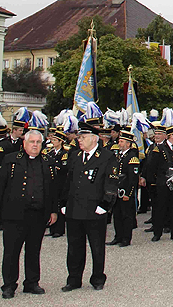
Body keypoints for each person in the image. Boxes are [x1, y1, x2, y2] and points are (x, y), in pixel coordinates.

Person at [0, 130, 58, 299]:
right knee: (12, 251)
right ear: (24, 143)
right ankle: (9, 285)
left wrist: (53, 210)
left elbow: (53, 188)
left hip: (38, 214)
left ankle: (32, 283)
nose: (35, 145)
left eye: (38, 142)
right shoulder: (11, 160)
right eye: (32, 142)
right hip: (15, 214)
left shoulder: (48, 161)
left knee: (34, 250)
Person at [60, 122, 118, 292]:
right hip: (74, 209)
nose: (79, 140)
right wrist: (63, 202)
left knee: (97, 247)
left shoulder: (107, 157)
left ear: (94, 139)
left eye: (83, 137)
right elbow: (67, 180)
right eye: (79, 137)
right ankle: (74, 279)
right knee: (74, 247)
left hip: (95, 209)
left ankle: (98, 278)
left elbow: (111, 182)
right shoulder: (75, 156)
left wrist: (105, 204)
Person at [143, 125, 173, 242]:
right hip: (163, 183)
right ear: (170, 136)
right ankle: (157, 233)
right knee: (160, 208)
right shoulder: (159, 148)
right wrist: (154, 182)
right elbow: (152, 167)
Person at [108, 130, 139, 247]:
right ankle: (118, 236)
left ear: (128, 144)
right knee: (117, 215)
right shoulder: (118, 156)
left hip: (125, 191)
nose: (119, 143)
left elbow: (132, 178)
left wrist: (129, 193)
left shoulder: (132, 157)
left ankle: (126, 238)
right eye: (119, 141)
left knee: (126, 216)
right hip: (117, 191)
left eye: (121, 142)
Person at [46, 129, 69, 237]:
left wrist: (55, 166)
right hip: (51, 181)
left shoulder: (64, 153)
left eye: (55, 140)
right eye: (53, 139)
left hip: (60, 182)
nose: (53, 141)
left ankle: (59, 230)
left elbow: (64, 168)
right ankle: (52, 227)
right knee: (51, 204)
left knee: (59, 204)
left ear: (60, 141)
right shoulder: (49, 152)